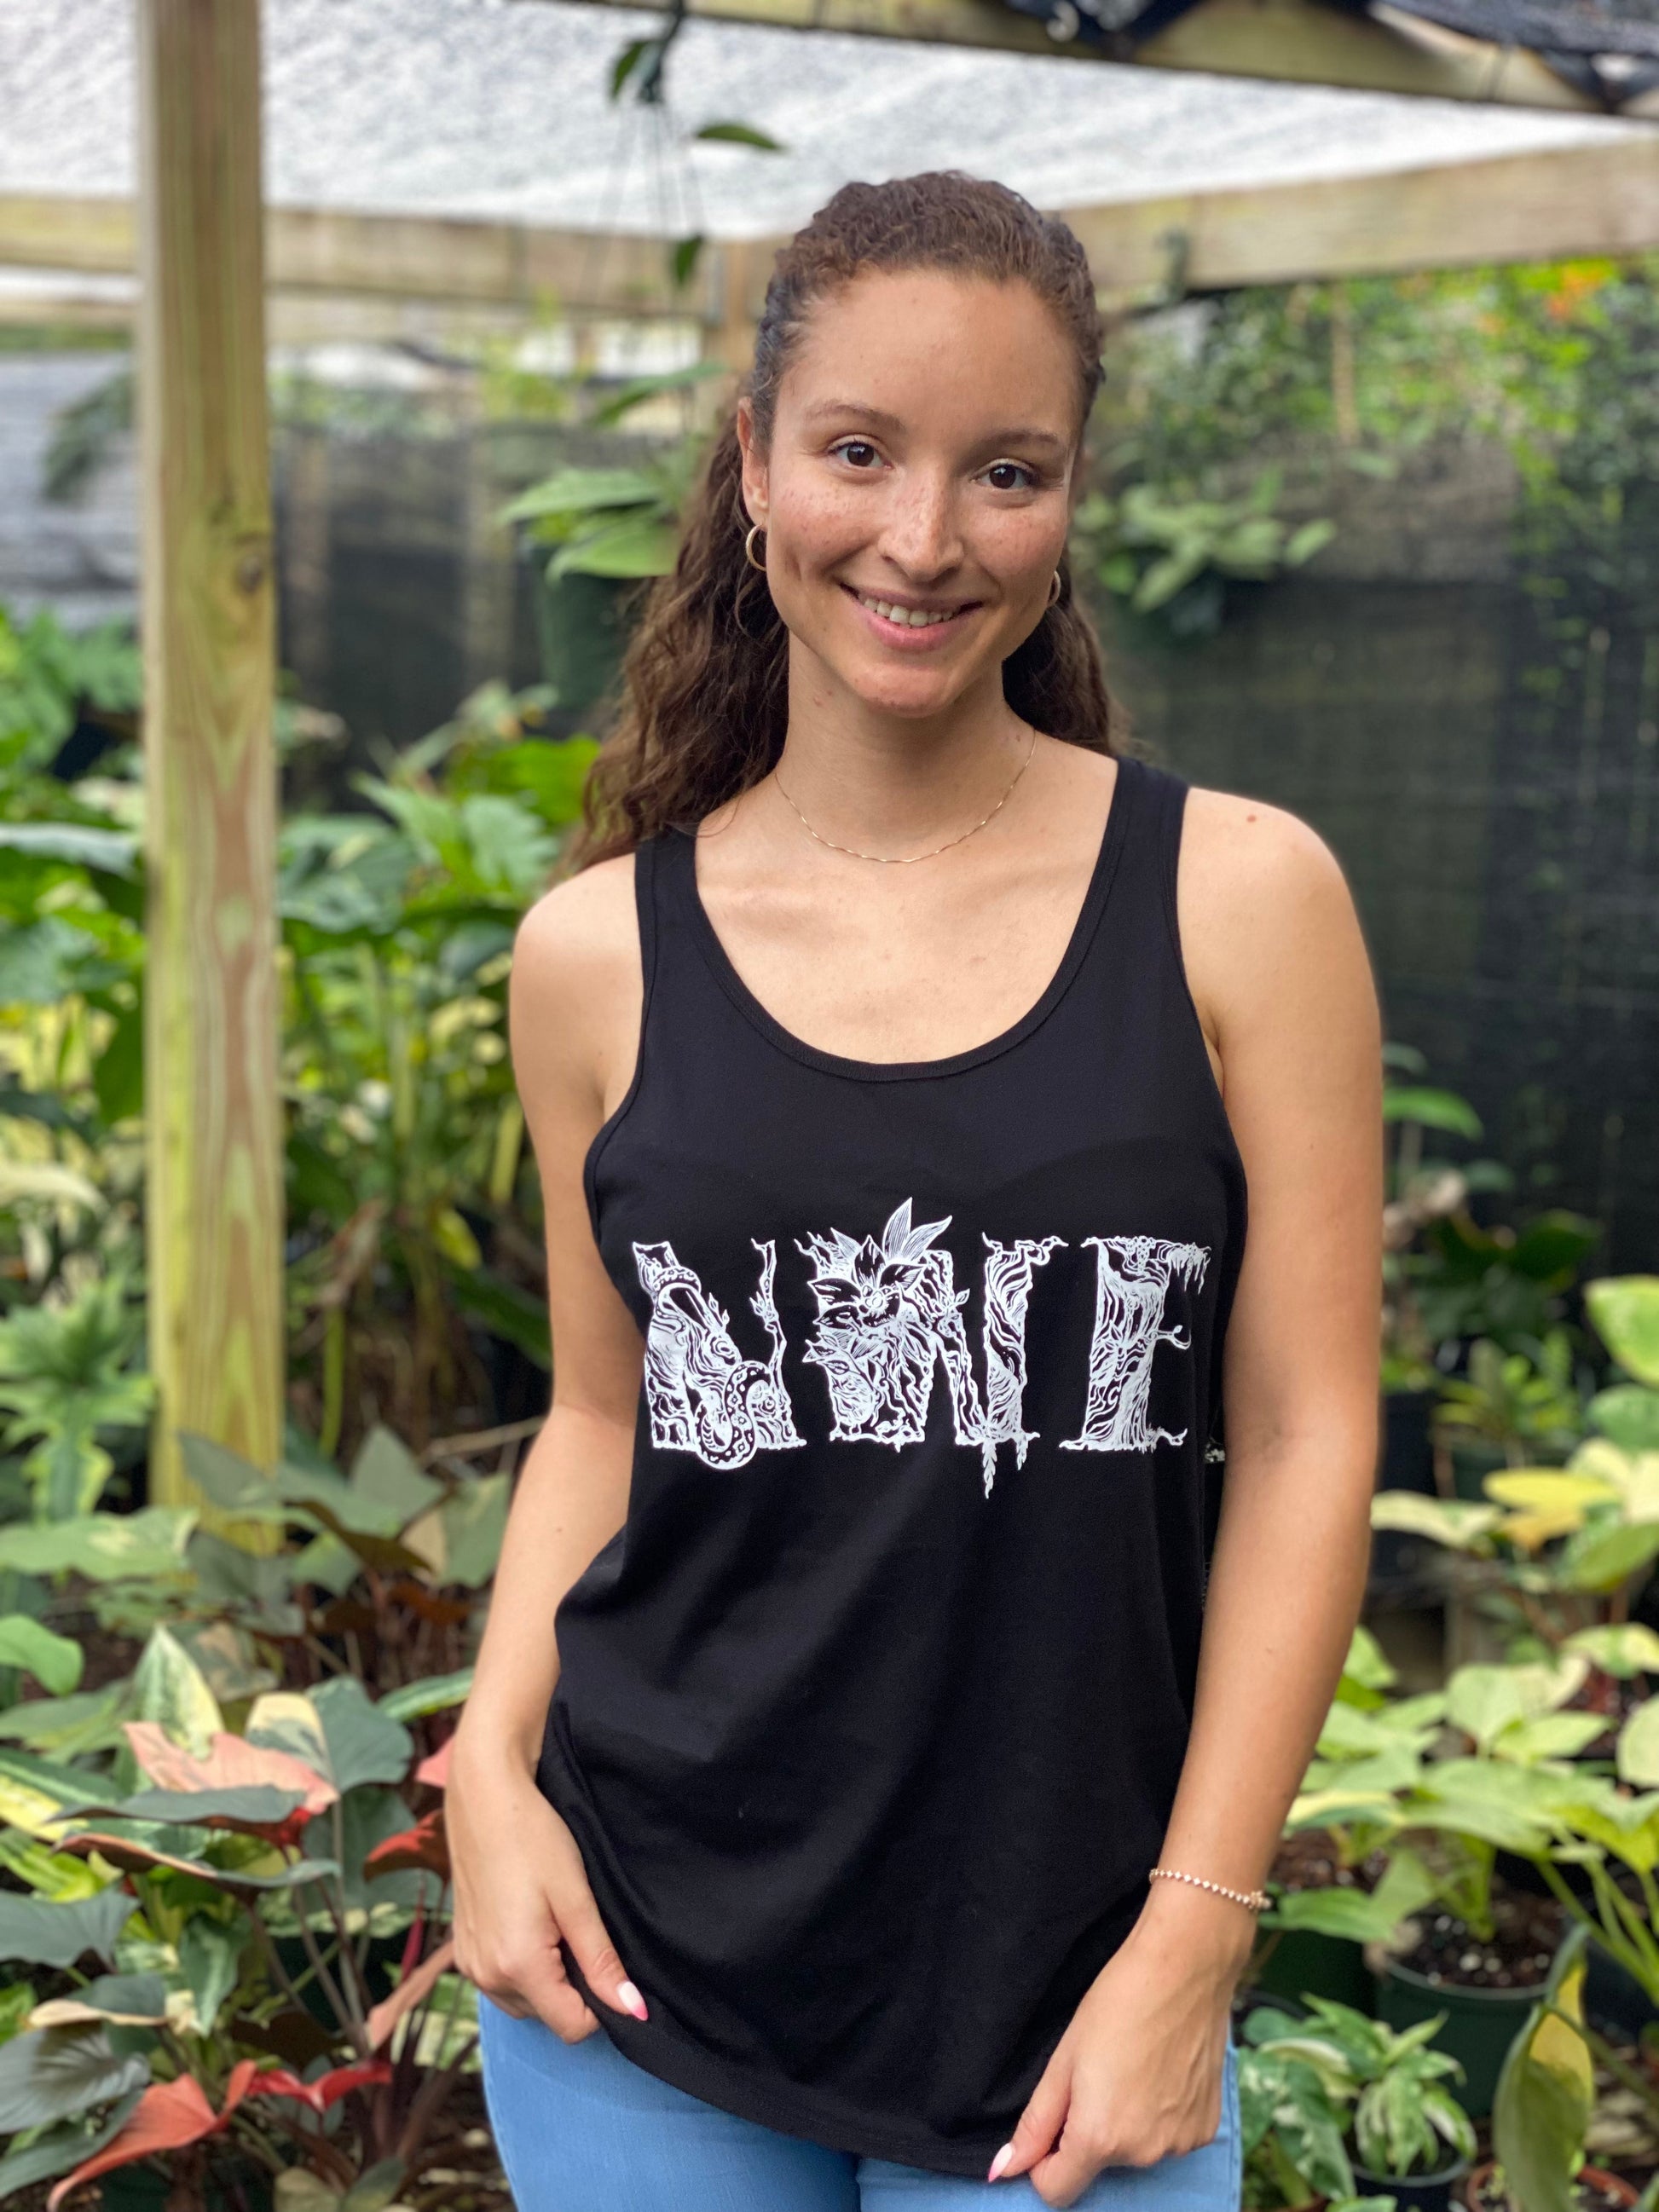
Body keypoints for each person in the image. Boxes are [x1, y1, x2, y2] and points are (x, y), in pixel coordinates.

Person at [448, 170, 1383, 2212]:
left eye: (1007, 470)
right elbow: (605, 1417)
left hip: (1071, 1999)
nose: (924, 539)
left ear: (1070, 496)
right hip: (636, 1970)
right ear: (758, 467)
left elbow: (1308, 1432)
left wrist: (1197, 1928)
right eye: (858, 450)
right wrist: (483, 1781)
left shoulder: (1240, 899)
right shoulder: (595, 952)